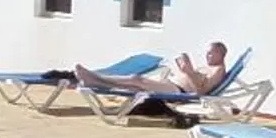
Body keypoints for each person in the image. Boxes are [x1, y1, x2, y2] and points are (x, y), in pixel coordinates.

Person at [74, 41, 228, 99]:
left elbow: (201, 92)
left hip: (178, 91)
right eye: (207, 52)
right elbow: (195, 78)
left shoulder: (218, 70)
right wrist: (185, 69)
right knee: (134, 86)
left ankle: (95, 76)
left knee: (136, 79)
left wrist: (188, 72)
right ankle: (94, 81)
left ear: (221, 54)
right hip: (171, 84)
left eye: (211, 53)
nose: (207, 55)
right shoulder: (208, 67)